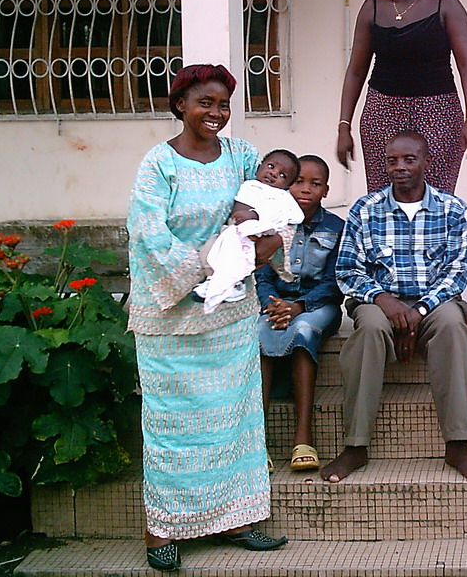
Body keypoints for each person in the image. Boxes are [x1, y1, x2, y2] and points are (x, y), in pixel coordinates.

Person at [127, 64, 287, 572]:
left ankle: (236, 518)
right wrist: (197, 274)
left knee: (234, 419)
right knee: (173, 428)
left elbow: (265, 205)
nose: (215, 113)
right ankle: (162, 531)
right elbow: (148, 230)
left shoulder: (242, 155)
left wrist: (267, 242)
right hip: (170, 314)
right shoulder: (159, 163)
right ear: (180, 105)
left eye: (223, 105)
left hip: (230, 312)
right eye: (205, 103)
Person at [321, 131, 467, 482]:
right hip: (379, 301)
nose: (400, 167)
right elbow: (348, 270)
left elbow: (457, 272)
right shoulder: (365, 210)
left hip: (433, 301)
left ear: (426, 162)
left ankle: (457, 444)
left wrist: (419, 311)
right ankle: (355, 446)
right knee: (368, 328)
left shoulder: (453, 210)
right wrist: (386, 301)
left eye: (409, 159)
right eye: (392, 160)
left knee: (453, 326)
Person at [335, 0, 467, 194]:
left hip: (438, 112)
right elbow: (356, 71)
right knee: (383, 198)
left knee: (436, 197)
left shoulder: (445, 3)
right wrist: (344, 126)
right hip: (382, 113)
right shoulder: (372, 8)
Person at [257, 155, 345, 473]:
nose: (305, 189)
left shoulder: (336, 228)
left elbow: (336, 282)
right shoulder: (271, 223)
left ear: (326, 190)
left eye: (315, 183)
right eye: (298, 181)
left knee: (303, 330)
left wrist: (298, 307)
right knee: (261, 333)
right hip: (276, 305)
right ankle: (256, 441)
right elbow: (263, 272)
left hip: (319, 306)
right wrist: (272, 304)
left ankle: (303, 435)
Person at [193, 149, 303, 313]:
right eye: (271, 166)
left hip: (259, 233)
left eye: (282, 176)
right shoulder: (249, 185)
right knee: (210, 249)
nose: (273, 174)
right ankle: (213, 280)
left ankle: (236, 284)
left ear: (288, 185)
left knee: (238, 254)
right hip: (234, 229)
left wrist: (256, 215)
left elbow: (296, 217)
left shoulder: (283, 197)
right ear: (260, 167)